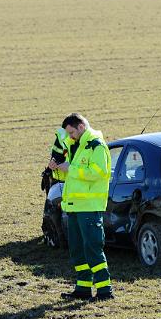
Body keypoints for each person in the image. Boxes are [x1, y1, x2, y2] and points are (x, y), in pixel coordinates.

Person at [48, 113, 114, 301]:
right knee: (77, 249)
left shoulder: (97, 145)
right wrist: (58, 168)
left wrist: (71, 169)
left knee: (93, 248)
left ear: (81, 127)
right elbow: (70, 178)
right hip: (74, 207)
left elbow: (99, 173)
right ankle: (83, 288)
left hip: (90, 207)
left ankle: (104, 290)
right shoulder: (74, 145)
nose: (69, 137)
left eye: (71, 132)